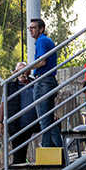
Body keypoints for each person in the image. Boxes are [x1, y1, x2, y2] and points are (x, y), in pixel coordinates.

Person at [0, 62, 37, 170]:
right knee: (19, 155)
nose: (22, 74)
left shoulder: (36, 83)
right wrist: (0, 123)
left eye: (24, 70)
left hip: (35, 122)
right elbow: (3, 105)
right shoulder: (10, 86)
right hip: (18, 125)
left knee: (51, 134)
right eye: (19, 71)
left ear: (29, 71)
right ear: (15, 73)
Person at [28, 18, 62, 148]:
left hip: (43, 81)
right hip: (49, 81)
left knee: (44, 119)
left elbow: (42, 61)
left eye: (33, 27)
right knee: (49, 119)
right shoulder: (47, 40)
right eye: (29, 28)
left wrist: (26, 69)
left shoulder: (41, 41)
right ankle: (59, 149)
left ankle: (47, 148)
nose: (30, 30)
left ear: (41, 29)